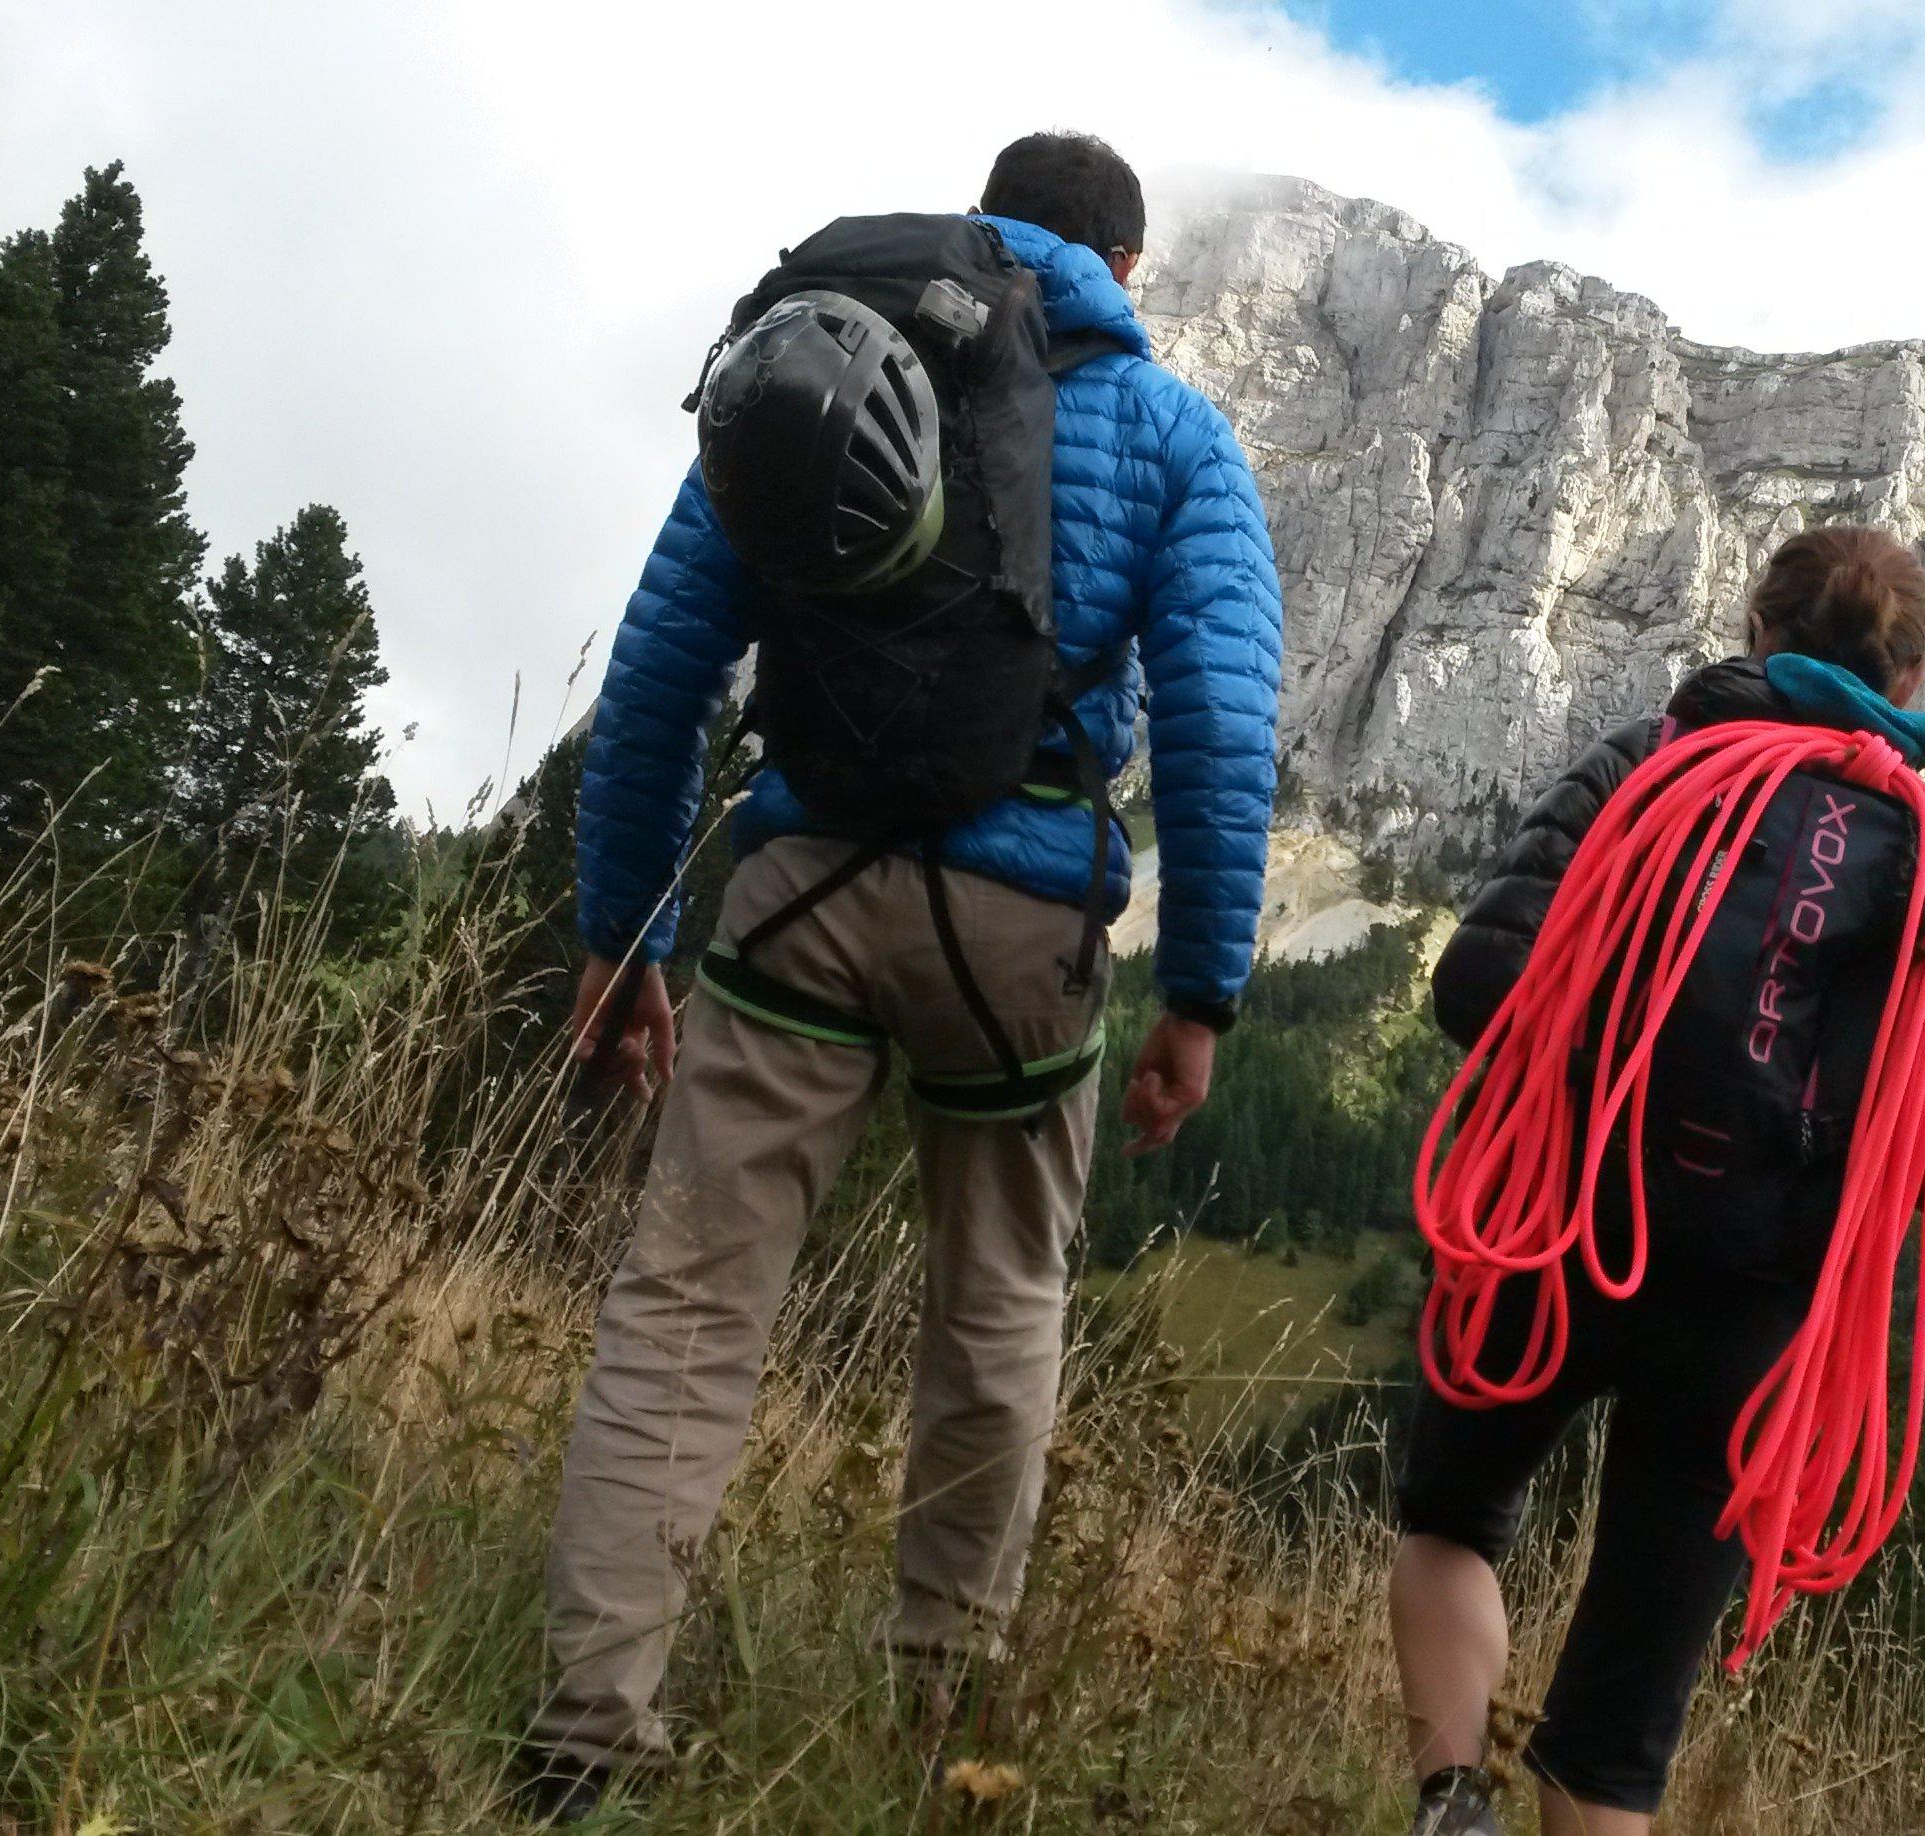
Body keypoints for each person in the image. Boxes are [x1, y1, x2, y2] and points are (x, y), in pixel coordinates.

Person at [517, 132, 1283, 1820]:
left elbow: (658, 674)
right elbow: (1224, 735)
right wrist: (1203, 995)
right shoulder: (1173, 434)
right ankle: (940, 1746)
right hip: (1023, 926)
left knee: (689, 1300)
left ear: (987, 218)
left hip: (799, 893)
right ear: (1128, 269)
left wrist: (622, 937)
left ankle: (586, 1727)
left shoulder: (830, 351)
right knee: (997, 1314)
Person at [1384, 525, 1925, 1836]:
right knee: (1625, 1716)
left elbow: (1479, 982)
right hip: (1755, 1309)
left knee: (1452, 1517)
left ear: (1757, 632)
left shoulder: (1653, 761)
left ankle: (1451, 1801)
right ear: (1914, 679)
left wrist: (1608, 1048)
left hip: (1560, 1226)